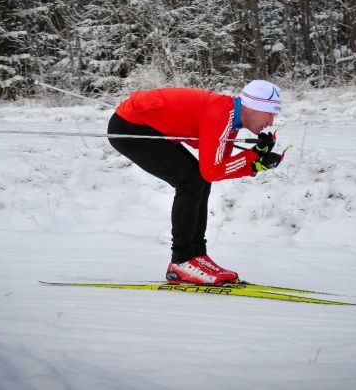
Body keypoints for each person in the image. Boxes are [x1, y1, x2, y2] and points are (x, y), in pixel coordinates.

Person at [107, 80, 284, 285]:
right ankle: (181, 261)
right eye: (269, 113)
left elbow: (218, 165)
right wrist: (252, 162)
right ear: (253, 107)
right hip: (131, 126)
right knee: (190, 181)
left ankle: (197, 255)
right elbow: (213, 171)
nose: (271, 122)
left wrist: (255, 156)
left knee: (197, 180)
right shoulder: (221, 114)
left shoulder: (230, 116)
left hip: (144, 122)